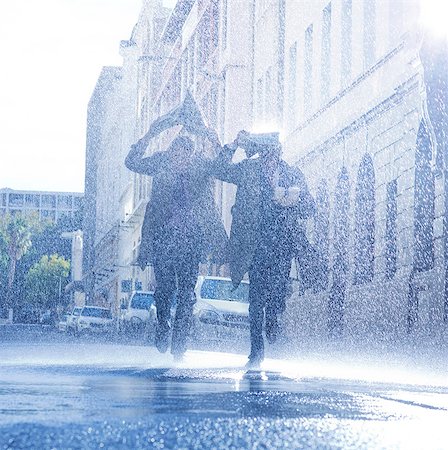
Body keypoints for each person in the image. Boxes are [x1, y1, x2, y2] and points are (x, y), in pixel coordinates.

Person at [125, 118, 227, 361]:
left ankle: (179, 340)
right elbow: (131, 162)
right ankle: (163, 325)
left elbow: (223, 168)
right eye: (176, 154)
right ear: (171, 154)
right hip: (162, 239)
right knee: (164, 290)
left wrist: (216, 141)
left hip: (191, 241)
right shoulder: (161, 162)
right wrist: (148, 135)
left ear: (191, 156)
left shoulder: (200, 166)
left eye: (185, 155)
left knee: (186, 293)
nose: (180, 159)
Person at [211, 130, 316, 368]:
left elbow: (311, 207)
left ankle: (274, 321)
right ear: (262, 153)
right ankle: (256, 350)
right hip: (255, 246)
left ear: (279, 152)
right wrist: (233, 145)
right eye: (268, 152)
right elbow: (219, 170)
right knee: (256, 298)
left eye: (275, 151)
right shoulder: (248, 170)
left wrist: (295, 200)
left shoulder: (292, 174)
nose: (271, 156)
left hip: (282, 245)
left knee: (278, 293)